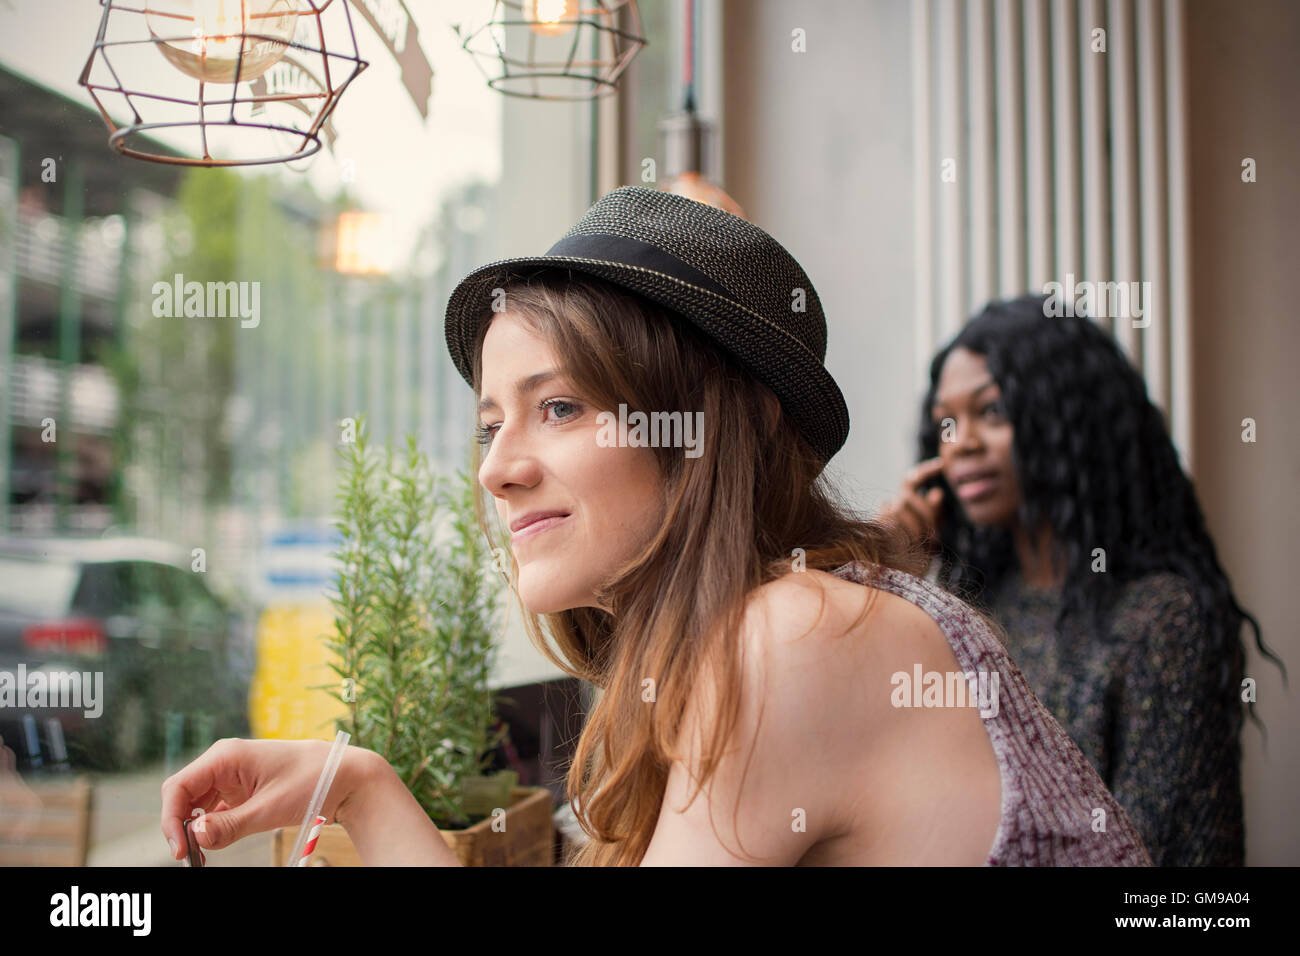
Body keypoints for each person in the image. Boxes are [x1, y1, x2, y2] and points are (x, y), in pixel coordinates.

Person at [161, 187, 1150, 866]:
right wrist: (359, 784)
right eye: (489, 422)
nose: (497, 468)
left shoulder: (792, 641)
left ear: (719, 427)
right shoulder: (762, 630)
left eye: (559, 407)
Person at [881, 293, 1285, 866]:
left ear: (1067, 417)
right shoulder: (973, 609)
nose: (960, 442)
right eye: (947, 421)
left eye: (992, 411)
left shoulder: (1157, 618)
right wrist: (888, 572)